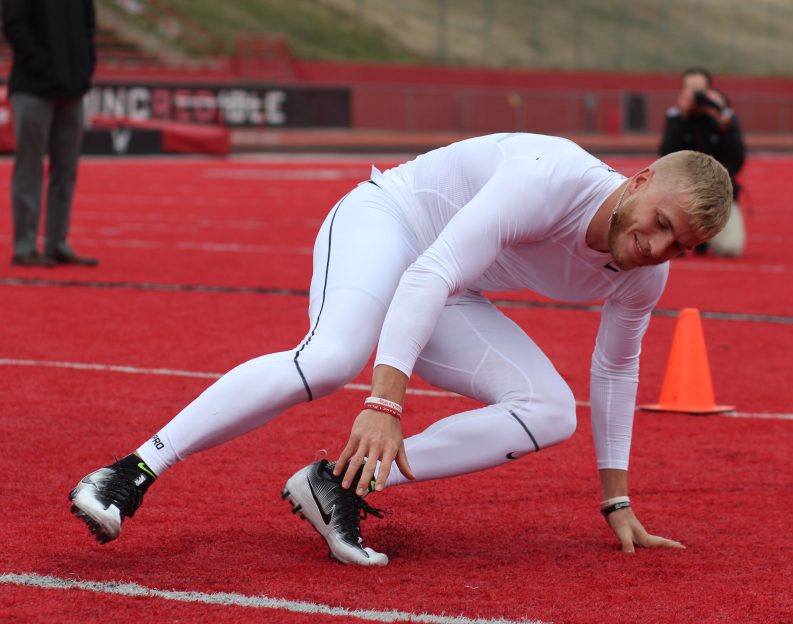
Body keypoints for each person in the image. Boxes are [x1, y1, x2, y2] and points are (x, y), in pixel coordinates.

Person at [69, 133, 732, 565]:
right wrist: (384, 403)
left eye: (680, 246)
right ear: (641, 180)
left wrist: (616, 499)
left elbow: (616, 366)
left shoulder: (648, 273)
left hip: (447, 280)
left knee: (550, 410)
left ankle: (337, 487)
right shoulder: (547, 177)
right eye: (660, 225)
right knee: (330, 361)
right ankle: (129, 471)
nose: (656, 248)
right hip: (389, 224)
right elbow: (428, 272)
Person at [3, 0, 99, 267]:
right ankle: (25, 246)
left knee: (66, 170)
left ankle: (57, 242)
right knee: (29, 167)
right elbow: (14, 26)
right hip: (33, 88)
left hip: (72, 89)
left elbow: (88, 25)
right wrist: (43, 66)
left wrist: (85, 66)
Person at [660, 68, 746, 257]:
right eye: (691, 91)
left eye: (701, 91)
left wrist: (723, 126)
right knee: (664, 248)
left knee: (731, 249)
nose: (697, 97)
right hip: (680, 194)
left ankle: (707, 234)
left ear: (711, 91)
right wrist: (682, 119)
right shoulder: (676, 117)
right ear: (682, 92)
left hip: (718, 194)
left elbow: (737, 161)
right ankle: (679, 234)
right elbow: (665, 158)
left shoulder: (724, 117)